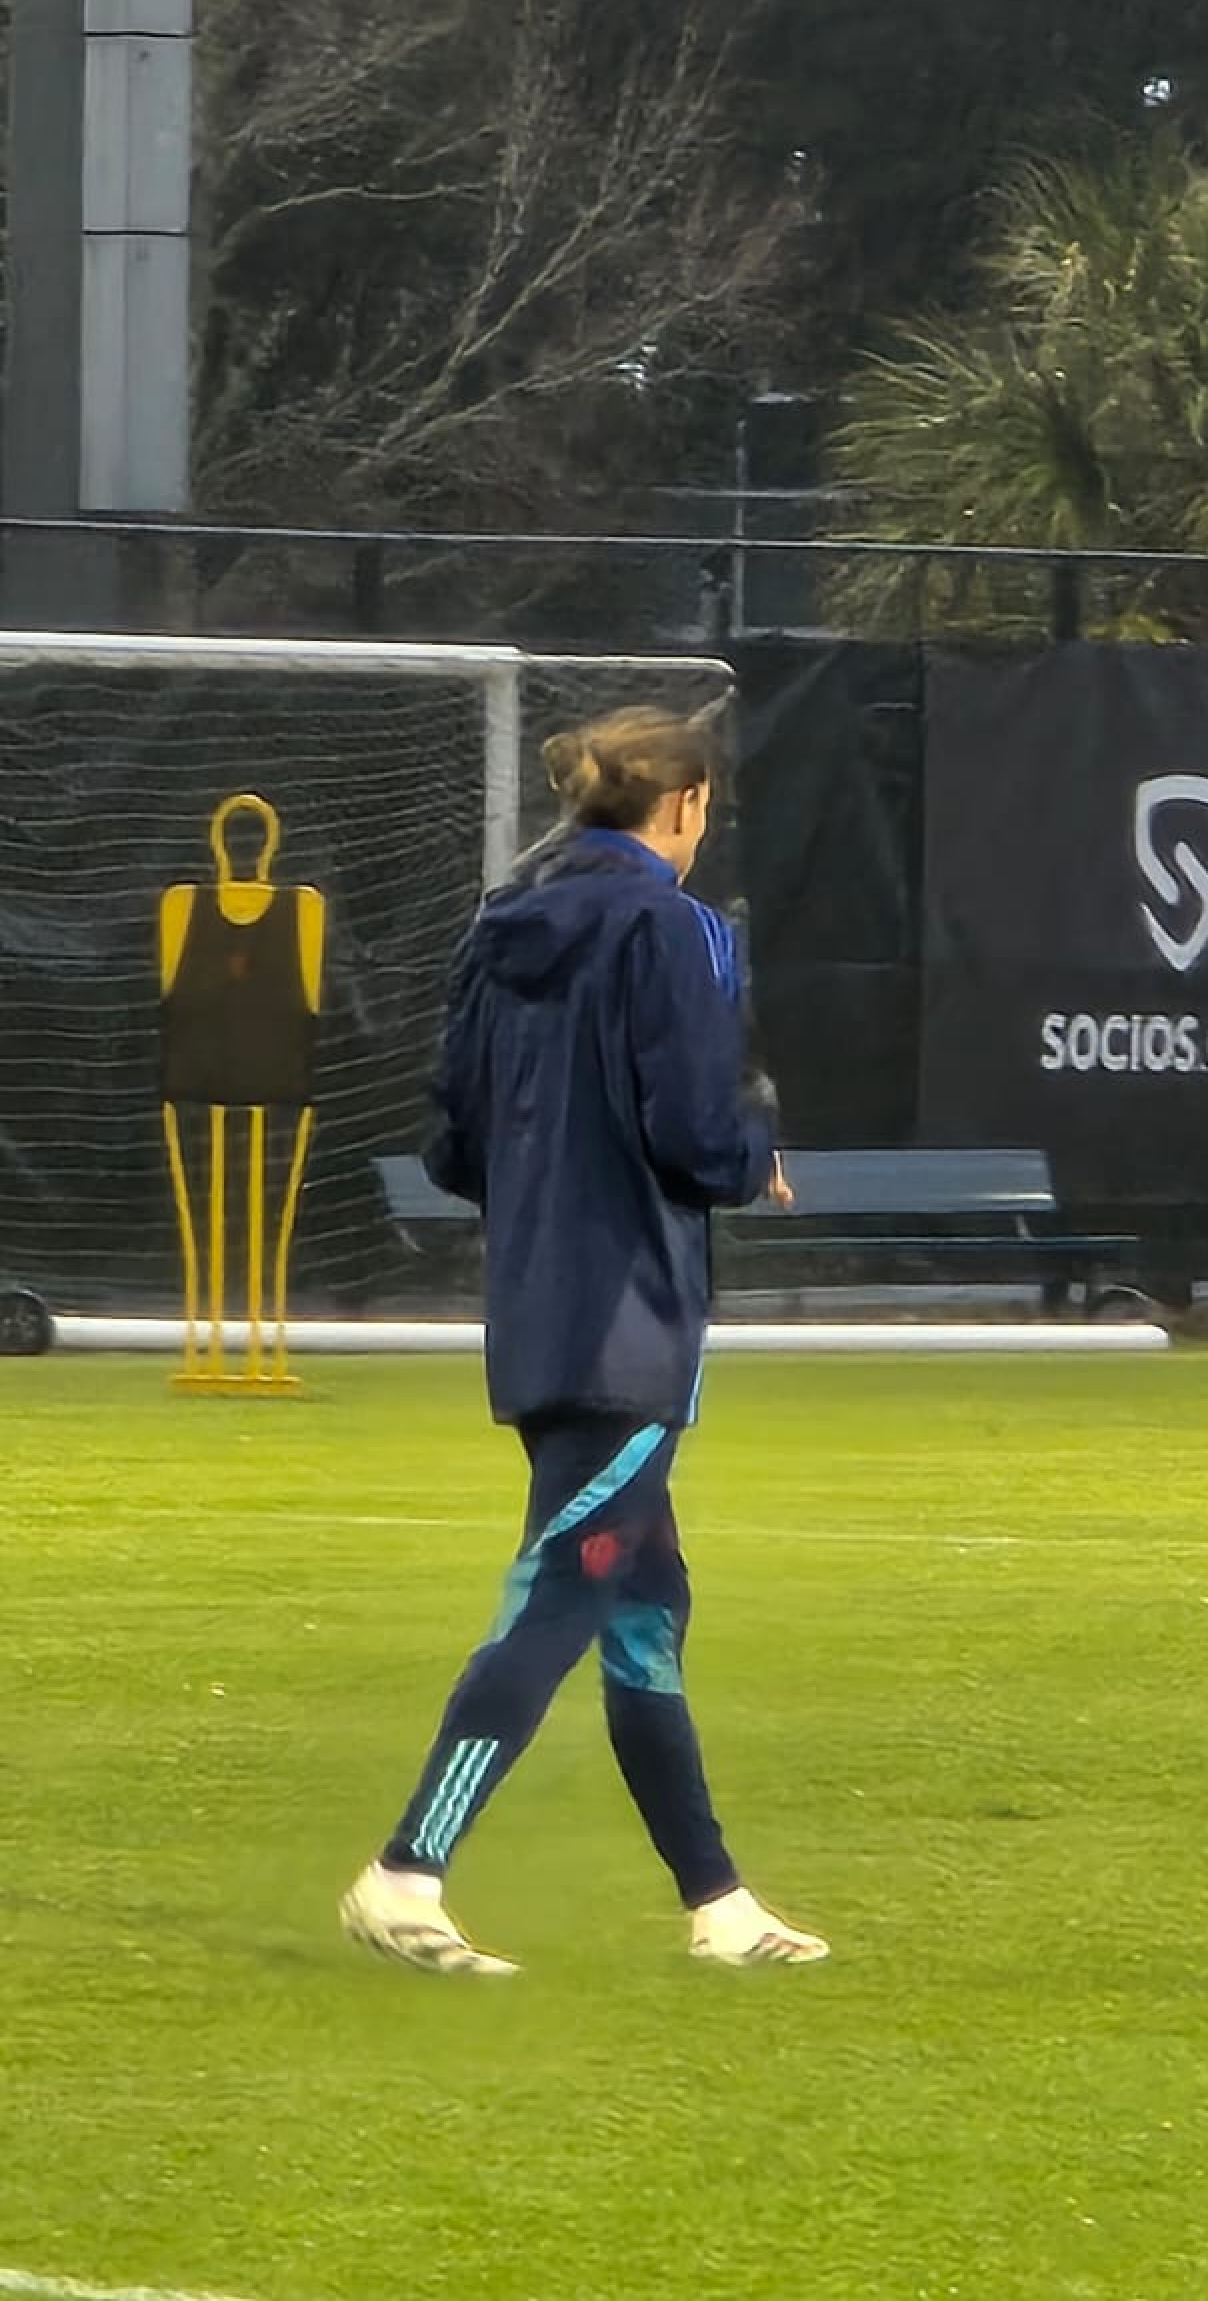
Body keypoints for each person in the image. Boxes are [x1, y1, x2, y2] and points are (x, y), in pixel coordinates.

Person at [339, 703, 827, 1975]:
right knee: (565, 1591)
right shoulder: (681, 930)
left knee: (642, 1603)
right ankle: (404, 1871)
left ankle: (718, 1903)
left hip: (537, 1306)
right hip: (630, 1319)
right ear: (685, 808)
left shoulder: (497, 929)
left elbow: (451, 1141)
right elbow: (693, 1127)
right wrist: (751, 1152)